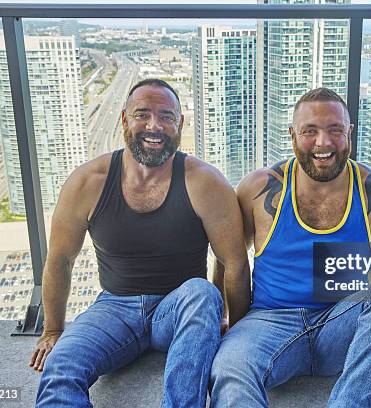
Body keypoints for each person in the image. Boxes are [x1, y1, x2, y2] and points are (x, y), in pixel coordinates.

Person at [210, 88, 371, 407]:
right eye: (310, 131)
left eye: (335, 130)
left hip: (342, 322)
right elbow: (228, 258)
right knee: (229, 369)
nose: (324, 142)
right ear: (292, 135)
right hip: (269, 322)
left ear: (349, 133)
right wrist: (221, 318)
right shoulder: (257, 188)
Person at [30, 78, 248, 408]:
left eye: (166, 117)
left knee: (201, 293)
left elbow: (233, 262)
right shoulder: (88, 182)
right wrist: (52, 329)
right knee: (61, 367)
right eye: (142, 114)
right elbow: (60, 259)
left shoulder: (205, 182)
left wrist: (233, 329)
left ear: (180, 124)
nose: (154, 126)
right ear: (124, 120)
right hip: (114, 307)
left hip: (178, 307)